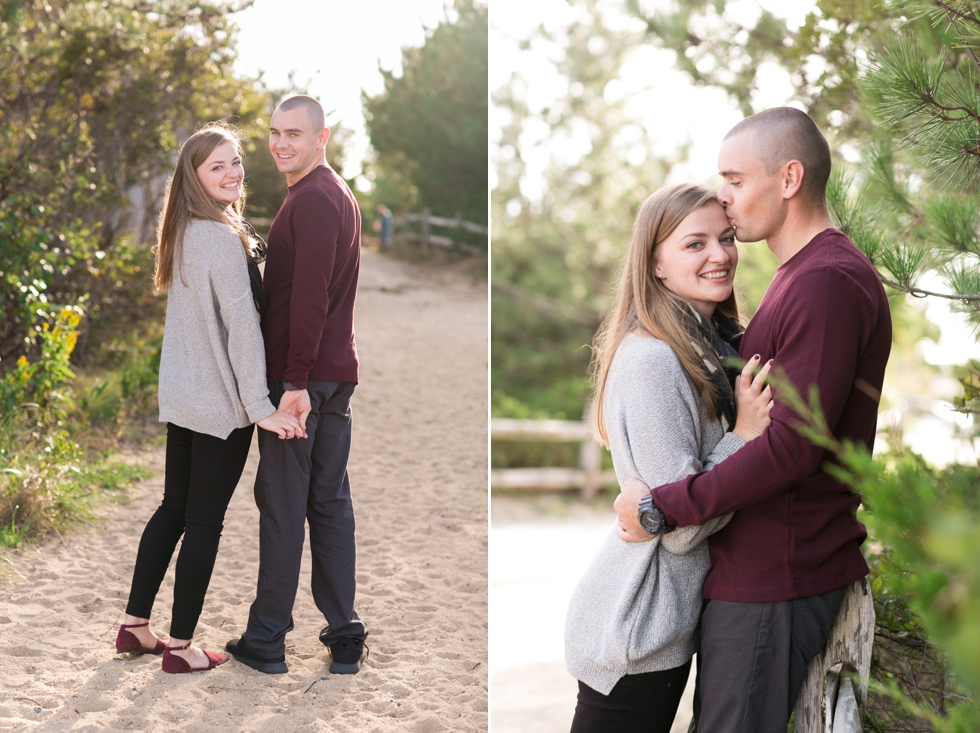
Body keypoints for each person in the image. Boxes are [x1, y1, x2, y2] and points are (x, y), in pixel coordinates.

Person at [614, 108, 892, 731]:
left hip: (779, 576)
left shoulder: (827, 282)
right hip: (757, 575)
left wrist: (667, 506)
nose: (724, 196)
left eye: (735, 180)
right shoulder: (800, 277)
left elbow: (794, 446)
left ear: (789, 178)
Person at [564, 182, 774, 732]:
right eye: (694, 243)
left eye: (726, 238)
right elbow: (677, 526)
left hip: (664, 622)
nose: (720, 254)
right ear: (655, 264)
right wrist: (745, 436)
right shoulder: (655, 360)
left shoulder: (708, 346)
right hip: (638, 627)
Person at [116, 124, 302, 674]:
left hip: (183, 397)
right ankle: (180, 647)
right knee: (203, 521)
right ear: (194, 177)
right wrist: (261, 408)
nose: (233, 173)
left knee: (174, 508)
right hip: (220, 406)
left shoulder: (184, 231)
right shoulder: (220, 239)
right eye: (216, 166)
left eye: (236, 161)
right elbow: (244, 329)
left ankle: (134, 627)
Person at [224, 95, 367, 675]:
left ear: (322, 137)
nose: (282, 143)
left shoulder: (312, 201)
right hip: (335, 375)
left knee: (283, 505)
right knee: (329, 502)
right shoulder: (333, 194)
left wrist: (296, 382)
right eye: (275, 133)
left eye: (295, 133)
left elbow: (308, 297)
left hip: (301, 379)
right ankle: (345, 634)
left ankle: (266, 641)